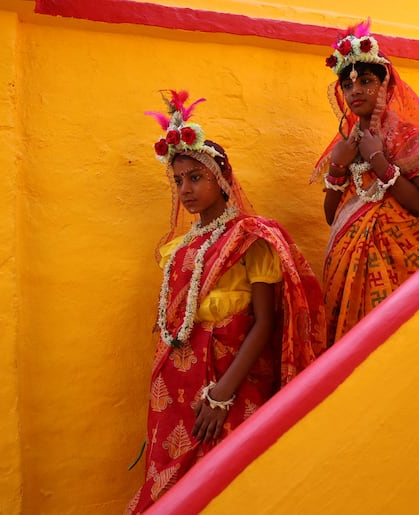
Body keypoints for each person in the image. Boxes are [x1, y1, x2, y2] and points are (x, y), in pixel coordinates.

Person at [126, 90, 326, 513]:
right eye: (178, 180)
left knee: (231, 481)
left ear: (221, 179)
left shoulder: (252, 238)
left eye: (195, 178)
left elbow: (265, 323)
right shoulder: (179, 248)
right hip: (176, 385)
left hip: (231, 381)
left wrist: (221, 395)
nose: (186, 189)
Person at [314, 19, 419, 346]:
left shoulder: (418, 139)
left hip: (405, 258)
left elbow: (418, 203)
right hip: (347, 262)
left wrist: (377, 159)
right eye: (347, 85)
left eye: (366, 81)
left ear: (386, 85)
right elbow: (332, 215)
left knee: (406, 342)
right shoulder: (343, 145)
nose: (355, 91)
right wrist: (337, 166)